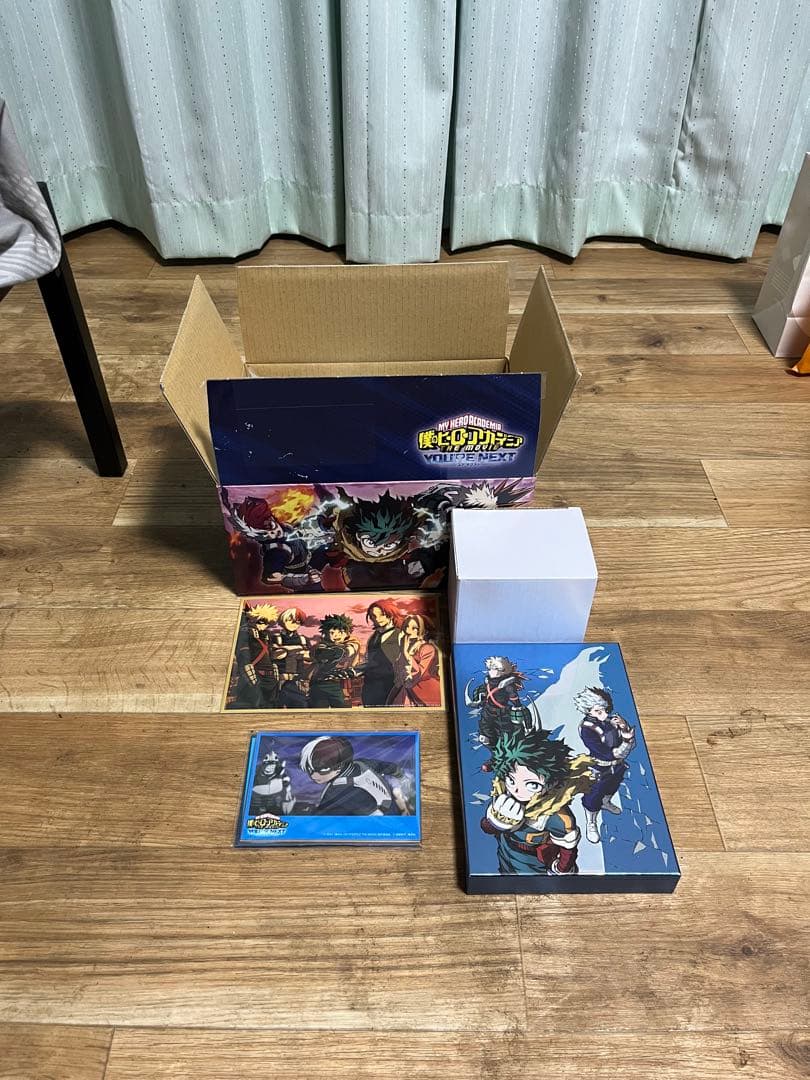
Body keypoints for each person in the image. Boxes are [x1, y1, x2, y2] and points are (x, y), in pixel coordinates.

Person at [480, 730, 592, 876]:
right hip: (505, 849)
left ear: (552, 784)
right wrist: (496, 821)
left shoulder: (555, 816)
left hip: (532, 862)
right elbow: (487, 828)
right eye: (511, 780)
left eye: (532, 785)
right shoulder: (503, 790)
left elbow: (568, 849)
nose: (517, 790)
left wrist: (561, 869)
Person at [574, 686, 635, 844]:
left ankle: (606, 802)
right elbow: (608, 753)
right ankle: (591, 821)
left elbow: (628, 743)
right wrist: (627, 739)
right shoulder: (587, 729)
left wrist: (623, 728)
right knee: (593, 795)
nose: (605, 714)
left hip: (618, 765)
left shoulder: (610, 721)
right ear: (588, 710)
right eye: (598, 711)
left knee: (612, 787)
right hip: (600, 766)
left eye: (605, 710)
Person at [299, 736, 410, 815]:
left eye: (321, 770)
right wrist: (401, 776)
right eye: (309, 770)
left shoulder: (335, 791)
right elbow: (389, 767)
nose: (313, 775)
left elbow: (323, 818)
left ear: (339, 766)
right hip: (389, 807)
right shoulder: (361, 763)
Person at [465, 656, 537, 747]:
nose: (490, 671)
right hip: (488, 710)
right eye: (490, 668)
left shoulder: (507, 686)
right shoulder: (488, 683)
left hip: (502, 712)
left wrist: (518, 706)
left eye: (493, 669)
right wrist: (479, 700)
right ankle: (492, 742)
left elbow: (515, 700)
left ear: (502, 670)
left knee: (506, 732)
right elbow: (483, 695)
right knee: (485, 729)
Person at [307, 613, 360, 708]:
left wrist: (338, 652)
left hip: (340, 684)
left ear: (347, 633)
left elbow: (347, 652)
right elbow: (318, 654)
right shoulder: (321, 645)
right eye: (332, 632)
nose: (336, 635)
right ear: (326, 633)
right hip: (319, 684)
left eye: (341, 632)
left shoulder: (352, 644)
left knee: (343, 711)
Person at [387, 613, 441, 706]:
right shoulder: (404, 646)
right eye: (406, 627)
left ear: (422, 630)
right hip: (405, 689)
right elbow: (398, 671)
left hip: (424, 689)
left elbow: (418, 674)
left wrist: (405, 653)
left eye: (414, 628)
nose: (408, 631)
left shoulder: (427, 648)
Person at [233, 604, 280, 708]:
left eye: (266, 623)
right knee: (254, 703)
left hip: (270, 676)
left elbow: (270, 655)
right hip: (255, 674)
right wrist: (247, 669)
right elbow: (242, 654)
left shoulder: (266, 636)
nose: (263, 625)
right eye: (261, 622)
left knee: (271, 703)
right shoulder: (246, 633)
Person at [358, 600, 404, 706]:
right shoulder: (373, 637)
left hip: (391, 684)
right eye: (373, 616)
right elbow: (369, 659)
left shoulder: (400, 635)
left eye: (382, 615)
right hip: (371, 686)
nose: (377, 619)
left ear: (390, 614)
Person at [268, 607, 311, 708]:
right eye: (290, 620)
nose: (293, 624)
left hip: (298, 682)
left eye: (297, 622)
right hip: (279, 682)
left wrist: (287, 652)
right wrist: (297, 653)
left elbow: (309, 657)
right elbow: (273, 656)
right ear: (283, 620)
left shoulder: (303, 639)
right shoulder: (275, 638)